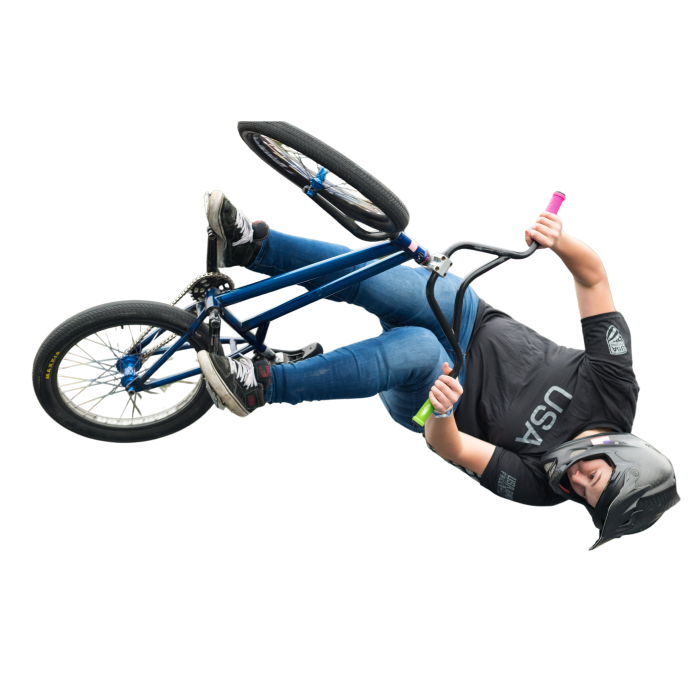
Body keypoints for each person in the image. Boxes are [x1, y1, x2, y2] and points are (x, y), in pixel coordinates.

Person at [197, 190, 680, 551]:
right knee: (384, 283)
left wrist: (444, 413)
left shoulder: (540, 487)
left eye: (586, 497)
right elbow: (593, 279)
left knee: (423, 350)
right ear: (622, 451)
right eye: (595, 478)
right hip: (470, 317)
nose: (577, 482)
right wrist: (561, 242)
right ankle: (252, 247)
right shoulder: (615, 389)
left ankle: (263, 386)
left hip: (437, 401)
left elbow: (452, 448)